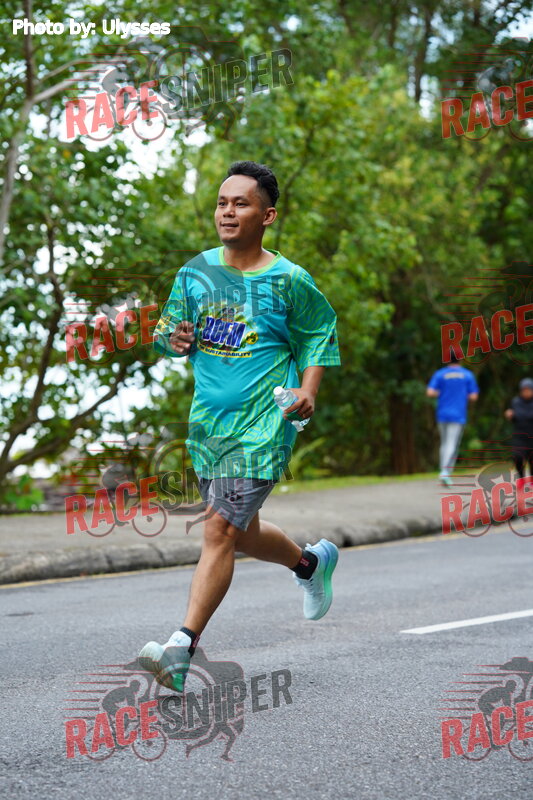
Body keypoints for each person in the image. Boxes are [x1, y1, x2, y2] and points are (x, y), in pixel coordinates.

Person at [138, 161, 341, 692]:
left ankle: (181, 649)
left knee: (219, 530)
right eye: (222, 203)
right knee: (240, 531)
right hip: (210, 425)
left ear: (267, 216)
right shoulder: (196, 272)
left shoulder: (289, 279)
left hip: (264, 425)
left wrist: (309, 391)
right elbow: (166, 331)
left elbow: (319, 334)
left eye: (241, 204)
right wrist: (172, 339)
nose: (227, 212)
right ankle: (309, 564)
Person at [426, 355, 479, 486]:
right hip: (458, 414)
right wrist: (462, 394)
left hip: (442, 413)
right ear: (460, 359)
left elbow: (430, 392)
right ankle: (445, 472)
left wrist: (441, 393)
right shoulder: (467, 375)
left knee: (444, 443)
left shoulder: (440, 374)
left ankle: (444, 471)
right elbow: (473, 396)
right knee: (452, 443)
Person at [504, 378, 533, 479]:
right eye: (524, 390)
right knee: (518, 457)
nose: (526, 392)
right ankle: (521, 478)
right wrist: (509, 415)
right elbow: (513, 416)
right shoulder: (515, 402)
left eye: (528, 390)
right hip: (520, 436)